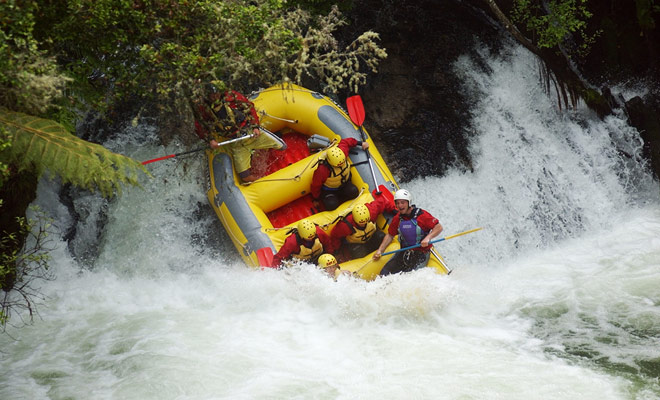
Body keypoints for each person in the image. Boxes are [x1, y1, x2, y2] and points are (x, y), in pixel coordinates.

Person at [192, 85, 285, 182]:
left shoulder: (231, 96)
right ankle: (265, 181)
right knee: (245, 177)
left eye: (216, 94)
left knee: (282, 147)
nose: (215, 97)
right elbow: (200, 126)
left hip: (250, 132)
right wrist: (210, 139)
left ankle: (268, 138)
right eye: (212, 95)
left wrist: (255, 127)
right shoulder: (203, 108)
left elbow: (249, 107)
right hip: (236, 142)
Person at [372, 189, 443, 276]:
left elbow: (438, 227)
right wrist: (380, 250)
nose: (400, 205)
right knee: (384, 273)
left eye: (402, 202)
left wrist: (428, 238)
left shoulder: (422, 215)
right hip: (404, 252)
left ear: (408, 203)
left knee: (410, 277)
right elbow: (390, 235)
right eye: (397, 203)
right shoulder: (398, 218)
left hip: (421, 254)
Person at [329, 194, 395, 261]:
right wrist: (336, 251)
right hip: (356, 244)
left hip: (371, 237)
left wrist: (393, 209)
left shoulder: (372, 212)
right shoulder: (345, 226)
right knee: (359, 252)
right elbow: (335, 236)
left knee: (381, 236)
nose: (364, 225)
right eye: (361, 223)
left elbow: (382, 201)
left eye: (365, 222)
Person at [310, 138, 369, 211]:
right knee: (331, 204)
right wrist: (315, 198)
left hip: (344, 185)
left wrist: (360, 143)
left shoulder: (342, 152)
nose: (341, 165)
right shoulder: (323, 170)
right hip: (329, 191)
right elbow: (316, 185)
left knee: (354, 191)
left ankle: (344, 201)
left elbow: (346, 142)